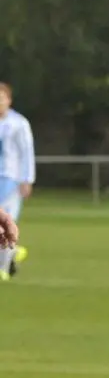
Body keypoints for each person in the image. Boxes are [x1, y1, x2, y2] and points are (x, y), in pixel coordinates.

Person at [0, 83, 34, 281]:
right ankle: (13, 253)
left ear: (9, 100)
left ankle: (3, 268)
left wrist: (27, 179)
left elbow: (26, 152)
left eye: (2, 97)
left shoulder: (19, 123)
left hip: (11, 178)